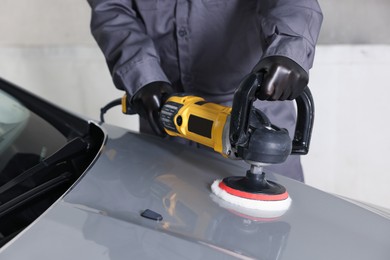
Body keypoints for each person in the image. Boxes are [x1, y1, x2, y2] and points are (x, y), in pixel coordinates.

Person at [87, 0, 323, 182]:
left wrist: (290, 46)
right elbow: (111, 8)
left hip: (256, 118)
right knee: (164, 232)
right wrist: (143, 76)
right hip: (163, 112)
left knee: (268, 230)